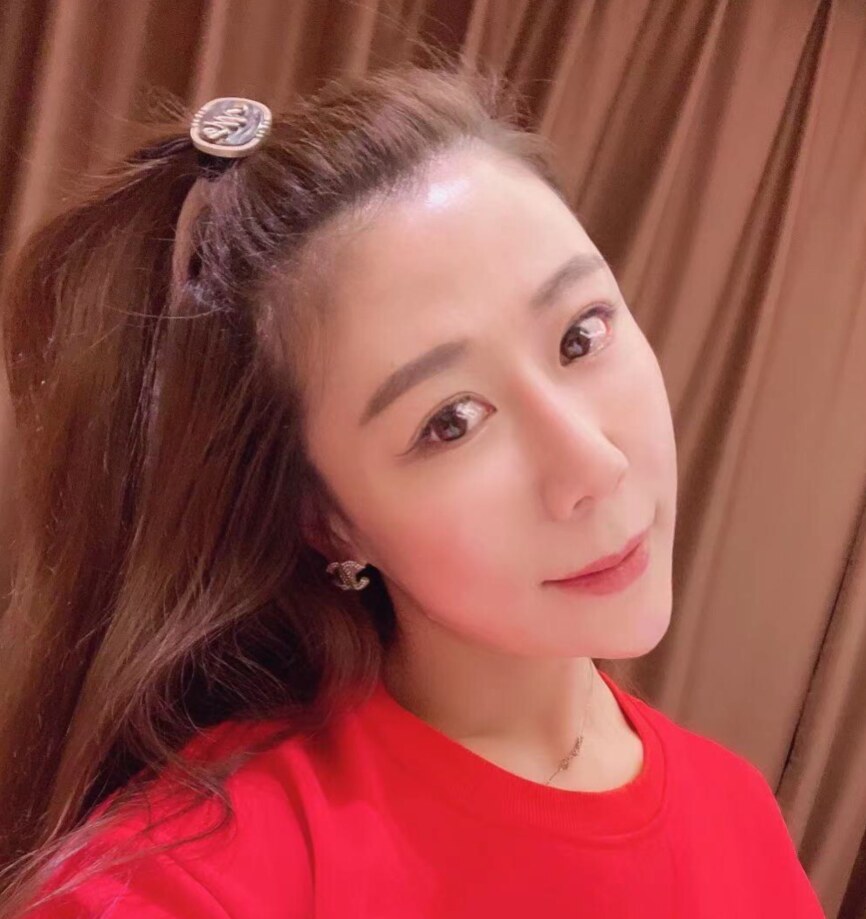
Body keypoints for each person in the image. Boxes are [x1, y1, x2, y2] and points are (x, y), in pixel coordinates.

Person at [0, 58, 825, 918]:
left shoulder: (740, 813)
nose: (593, 466)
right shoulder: (198, 875)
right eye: (451, 421)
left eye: (581, 335)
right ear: (329, 522)